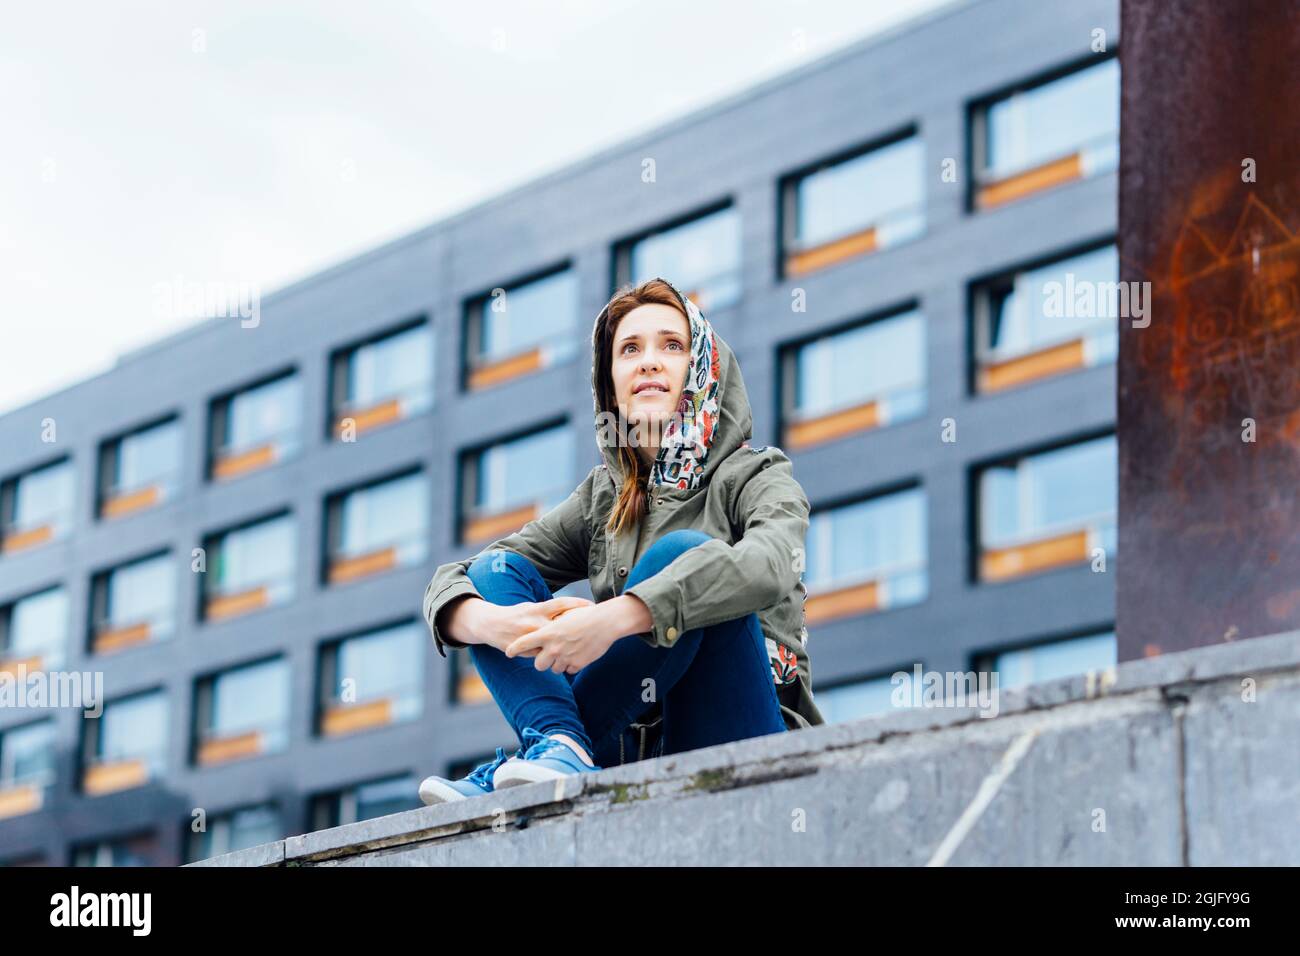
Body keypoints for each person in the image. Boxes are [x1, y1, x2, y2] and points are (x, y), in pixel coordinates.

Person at [418, 276, 823, 804]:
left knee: (683, 556)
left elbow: (772, 563)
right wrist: (490, 625)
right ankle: (557, 742)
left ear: (703, 369)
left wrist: (612, 619)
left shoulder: (756, 475)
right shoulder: (604, 497)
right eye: (629, 349)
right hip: (629, 750)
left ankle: (526, 759)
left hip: (743, 736)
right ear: (611, 383)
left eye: (671, 346)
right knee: (493, 573)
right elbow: (478, 573)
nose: (649, 361)